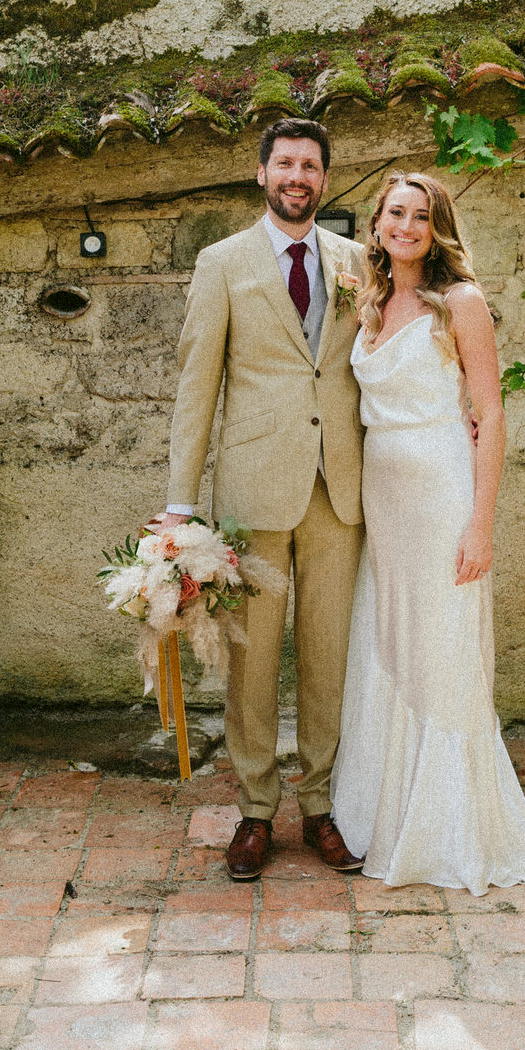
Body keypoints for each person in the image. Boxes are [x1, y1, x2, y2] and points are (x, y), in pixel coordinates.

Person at [331, 171, 525, 893]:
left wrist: (481, 525)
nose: (406, 226)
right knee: (389, 640)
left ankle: (445, 827)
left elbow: (492, 413)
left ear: (438, 229)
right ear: (376, 224)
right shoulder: (370, 300)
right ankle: (383, 811)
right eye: (394, 213)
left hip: (442, 492)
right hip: (385, 499)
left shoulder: (461, 303)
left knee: (442, 649)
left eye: (420, 216)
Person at [163, 118, 370, 881]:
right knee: (251, 662)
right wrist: (180, 506)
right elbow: (196, 388)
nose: (297, 176)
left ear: (323, 179)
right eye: (284, 163)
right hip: (253, 494)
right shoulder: (221, 264)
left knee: (328, 656)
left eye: (311, 166)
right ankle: (255, 809)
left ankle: (319, 805)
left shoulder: (357, 261)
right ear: (261, 174)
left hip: (338, 492)